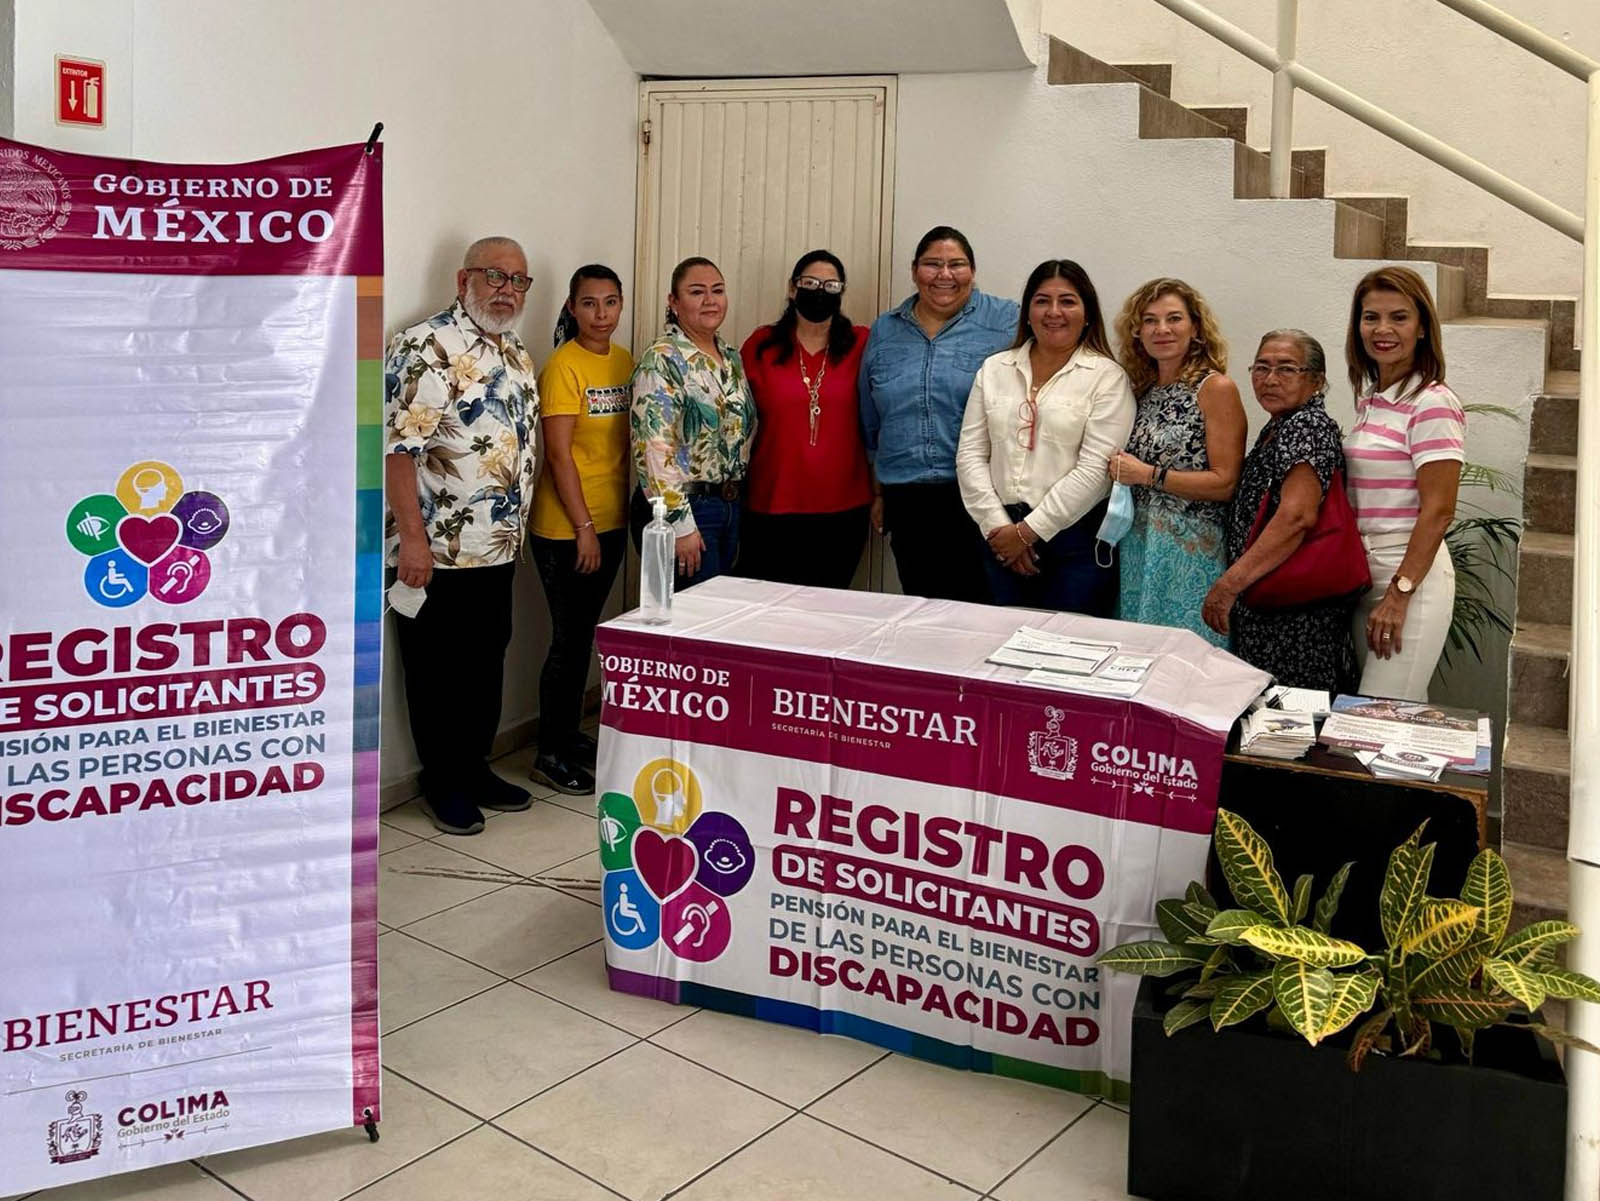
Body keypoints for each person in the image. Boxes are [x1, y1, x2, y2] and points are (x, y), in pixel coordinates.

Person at [384, 236, 540, 835]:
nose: (507, 290)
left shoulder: (516, 352)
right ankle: (442, 781)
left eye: (518, 280)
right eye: (494, 276)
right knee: (436, 674)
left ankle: (474, 769)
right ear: (463, 279)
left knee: (485, 663)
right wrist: (413, 540)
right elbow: (399, 452)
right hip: (436, 550)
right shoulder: (425, 346)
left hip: (495, 546)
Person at [955, 259, 1135, 614]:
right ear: (1027, 312)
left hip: (1075, 543)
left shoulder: (1107, 377)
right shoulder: (994, 369)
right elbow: (970, 455)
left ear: (1087, 314)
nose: (1054, 312)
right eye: (1042, 301)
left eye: (1067, 301)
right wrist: (999, 530)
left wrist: (1028, 532)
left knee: (1066, 643)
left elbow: (1095, 471)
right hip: (998, 536)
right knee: (1000, 641)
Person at [860, 226, 1018, 602]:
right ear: (914, 271)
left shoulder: (1007, 321)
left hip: (981, 497)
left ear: (973, 271)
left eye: (956, 264)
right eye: (932, 264)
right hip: (907, 500)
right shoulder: (885, 329)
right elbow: (871, 418)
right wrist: (878, 492)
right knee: (925, 610)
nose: (944, 275)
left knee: (984, 610)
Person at [1203, 330, 1360, 693]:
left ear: (1316, 381)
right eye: (1261, 367)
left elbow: (1296, 517)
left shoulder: (1306, 426)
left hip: (1296, 613)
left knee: (1291, 716)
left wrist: (1228, 585)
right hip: (1271, 605)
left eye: (1287, 369)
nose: (1270, 379)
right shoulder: (1280, 425)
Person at [528, 265, 632, 796]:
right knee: (568, 642)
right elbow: (559, 455)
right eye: (589, 303)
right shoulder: (563, 367)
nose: (601, 314)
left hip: (613, 519)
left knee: (584, 634)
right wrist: (583, 526)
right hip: (567, 528)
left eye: (610, 302)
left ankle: (568, 735)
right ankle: (549, 753)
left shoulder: (625, 361)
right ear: (572, 308)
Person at [1343, 266, 1463, 701]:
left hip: (1410, 575)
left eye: (1399, 317)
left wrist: (1400, 593)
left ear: (1422, 328)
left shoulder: (1432, 402)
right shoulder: (1372, 400)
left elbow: (1439, 510)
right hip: (1365, 574)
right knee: (1393, 712)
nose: (1382, 329)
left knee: (1379, 715)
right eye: (1371, 317)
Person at [1108, 278, 1245, 646]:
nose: (1162, 329)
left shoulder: (1215, 388)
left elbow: (1225, 482)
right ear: (1137, 332)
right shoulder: (1142, 390)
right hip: (1138, 546)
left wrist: (1148, 475)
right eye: (1150, 320)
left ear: (1195, 328)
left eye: (1174, 319)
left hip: (1190, 551)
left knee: (1187, 657)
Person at [739, 250, 872, 588]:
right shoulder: (761, 345)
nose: (819, 292)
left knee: (826, 608)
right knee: (769, 609)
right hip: (772, 500)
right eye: (810, 283)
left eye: (830, 285)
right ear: (792, 287)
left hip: (844, 506)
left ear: (841, 292)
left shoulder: (862, 344)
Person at [630, 256, 757, 585]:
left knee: (723, 610)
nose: (710, 300)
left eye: (718, 290)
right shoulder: (662, 359)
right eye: (697, 292)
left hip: (729, 506)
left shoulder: (731, 357)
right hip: (686, 510)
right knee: (695, 612)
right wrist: (679, 524)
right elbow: (653, 448)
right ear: (673, 302)